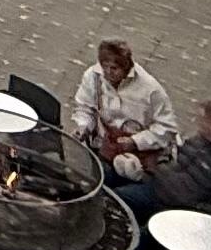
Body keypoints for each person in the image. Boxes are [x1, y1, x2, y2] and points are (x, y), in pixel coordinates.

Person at [118, 101, 211, 228]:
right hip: (159, 191)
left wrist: (197, 209)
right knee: (116, 199)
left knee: (144, 240)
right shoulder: (198, 141)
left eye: (201, 120)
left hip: (183, 214)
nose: (196, 122)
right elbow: (177, 162)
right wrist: (157, 167)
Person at [71, 40, 180, 181]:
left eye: (114, 68)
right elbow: (85, 107)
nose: (108, 73)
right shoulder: (93, 77)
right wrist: (84, 126)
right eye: (105, 67)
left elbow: (167, 128)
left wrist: (135, 141)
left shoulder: (151, 89)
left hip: (141, 160)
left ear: (127, 66)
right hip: (107, 149)